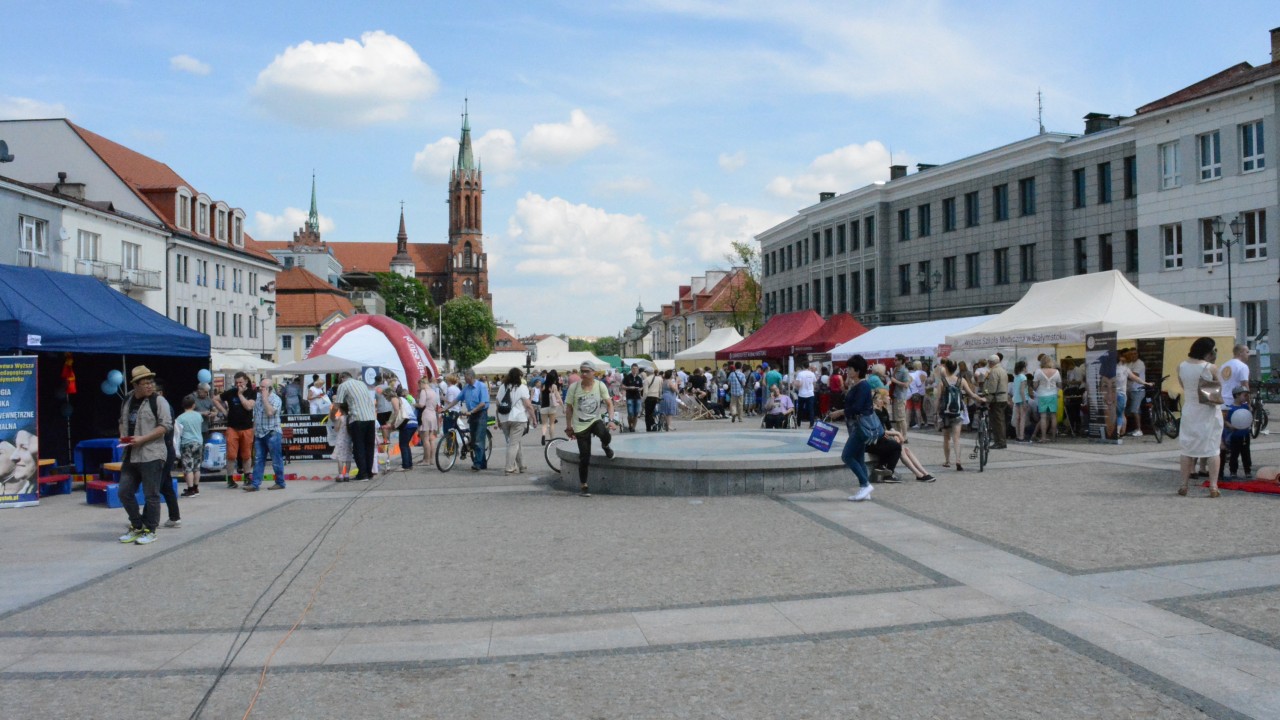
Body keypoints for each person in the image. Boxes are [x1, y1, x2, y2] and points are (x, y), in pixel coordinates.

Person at [117, 366, 172, 545]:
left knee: (151, 494)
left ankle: (150, 529)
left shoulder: (159, 401)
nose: (150, 386)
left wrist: (143, 439)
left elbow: (165, 426)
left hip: (152, 454)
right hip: (131, 454)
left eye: (151, 382)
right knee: (124, 491)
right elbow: (121, 421)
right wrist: (122, 436)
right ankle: (137, 525)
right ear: (135, 385)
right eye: (145, 383)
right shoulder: (127, 399)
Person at [1177, 337, 1224, 498]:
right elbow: (1219, 388)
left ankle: (1183, 484)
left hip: (1190, 410)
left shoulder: (1181, 366)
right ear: (1208, 352)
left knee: (1187, 448)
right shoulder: (1211, 368)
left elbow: (1184, 386)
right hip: (1208, 411)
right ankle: (1213, 486)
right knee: (1212, 448)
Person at [564, 361, 615, 496]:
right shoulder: (574, 388)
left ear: (593, 372)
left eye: (587, 371)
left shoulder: (600, 385)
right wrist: (569, 426)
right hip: (580, 424)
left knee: (605, 435)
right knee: (585, 456)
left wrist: (611, 420)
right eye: (582, 371)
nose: (584, 374)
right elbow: (568, 408)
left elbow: (609, 404)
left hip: (594, 420)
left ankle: (605, 445)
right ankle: (584, 485)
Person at [841, 355, 876, 502]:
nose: (847, 371)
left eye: (850, 368)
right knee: (859, 458)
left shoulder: (863, 386)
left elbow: (857, 407)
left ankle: (865, 484)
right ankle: (864, 489)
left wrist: (840, 412)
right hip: (856, 425)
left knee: (847, 456)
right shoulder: (858, 385)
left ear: (857, 370)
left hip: (860, 426)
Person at [938, 358, 984, 471]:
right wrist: (981, 399)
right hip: (957, 412)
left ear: (946, 368)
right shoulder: (961, 380)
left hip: (945, 413)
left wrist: (936, 413)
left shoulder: (942, 381)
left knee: (946, 438)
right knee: (957, 438)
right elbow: (972, 394)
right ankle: (958, 460)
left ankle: (947, 461)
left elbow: (938, 399)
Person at [213, 372, 256, 487]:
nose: (238, 385)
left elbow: (248, 406)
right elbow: (215, 399)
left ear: (246, 381)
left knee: (246, 455)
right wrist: (224, 411)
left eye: (241, 382)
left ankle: (247, 476)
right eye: (236, 383)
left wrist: (241, 394)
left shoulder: (251, 392)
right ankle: (230, 479)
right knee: (231, 455)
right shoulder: (231, 392)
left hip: (247, 427)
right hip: (232, 427)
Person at [335, 371, 377, 481]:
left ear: (342, 378)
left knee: (359, 446)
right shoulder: (362, 383)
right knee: (369, 446)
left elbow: (338, 403)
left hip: (357, 418)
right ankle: (369, 472)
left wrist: (332, 416)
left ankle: (362, 474)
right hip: (370, 417)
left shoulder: (343, 386)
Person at [496, 367, 537, 475]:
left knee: (516, 442)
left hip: (504, 418)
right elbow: (528, 405)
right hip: (518, 418)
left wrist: (498, 420)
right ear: (519, 377)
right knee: (513, 444)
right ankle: (509, 468)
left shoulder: (502, 387)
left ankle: (522, 466)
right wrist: (534, 419)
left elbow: (497, 404)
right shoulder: (522, 388)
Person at [248, 377, 285, 491]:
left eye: (263, 388)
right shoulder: (257, 398)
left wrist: (265, 399)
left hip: (272, 432)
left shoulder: (276, 399)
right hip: (259, 433)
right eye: (260, 387)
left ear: (269, 388)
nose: (260, 389)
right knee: (258, 459)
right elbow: (256, 415)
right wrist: (254, 430)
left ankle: (280, 482)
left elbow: (270, 412)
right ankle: (255, 484)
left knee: (276, 459)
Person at [459, 369, 490, 471]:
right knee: (475, 439)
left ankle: (477, 463)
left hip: (480, 414)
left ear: (471, 377)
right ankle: (483, 463)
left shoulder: (481, 386)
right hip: (472, 415)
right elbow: (457, 398)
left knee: (478, 440)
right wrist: (446, 408)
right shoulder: (466, 388)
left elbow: (483, 403)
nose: (465, 380)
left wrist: (471, 411)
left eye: (466, 378)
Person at [1220, 387, 1253, 481]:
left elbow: (1248, 417)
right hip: (1235, 435)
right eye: (1244, 395)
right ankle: (1233, 471)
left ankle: (1248, 471)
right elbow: (1225, 421)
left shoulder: (1246, 407)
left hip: (1245, 434)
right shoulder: (1230, 408)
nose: (1246, 397)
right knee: (1234, 454)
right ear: (1237, 395)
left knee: (1246, 453)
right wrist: (1230, 426)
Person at [176, 394, 205, 498]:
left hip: (187, 443)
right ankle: (196, 488)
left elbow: (178, 432)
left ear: (183, 405)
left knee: (188, 467)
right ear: (194, 405)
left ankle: (190, 489)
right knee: (197, 467)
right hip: (199, 442)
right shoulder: (198, 415)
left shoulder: (180, 418)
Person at [1032, 356, 1062, 443]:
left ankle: (1043, 437)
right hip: (1053, 395)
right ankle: (1053, 437)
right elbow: (1059, 385)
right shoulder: (1056, 372)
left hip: (1042, 395)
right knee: (1053, 417)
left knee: (1043, 417)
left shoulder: (1038, 372)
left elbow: (1035, 386)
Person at [982, 354, 1010, 448]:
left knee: (997, 422)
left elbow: (992, 388)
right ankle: (1001, 441)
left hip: (996, 399)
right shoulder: (1003, 370)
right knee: (1000, 421)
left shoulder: (994, 371)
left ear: (991, 362)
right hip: (1003, 398)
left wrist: (987, 400)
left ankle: (1000, 442)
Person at [384, 387, 413, 470]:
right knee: (406, 444)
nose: (385, 399)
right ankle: (409, 464)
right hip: (412, 422)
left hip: (407, 423)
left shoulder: (394, 399)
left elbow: (396, 411)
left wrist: (391, 423)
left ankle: (406, 465)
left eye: (385, 397)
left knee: (403, 445)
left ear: (387, 395)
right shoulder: (401, 399)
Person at [416, 377, 439, 465]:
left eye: (419, 385)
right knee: (431, 439)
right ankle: (431, 459)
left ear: (422, 384)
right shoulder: (433, 392)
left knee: (425, 439)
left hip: (425, 415)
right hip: (433, 415)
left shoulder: (424, 391)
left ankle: (426, 460)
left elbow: (421, 405)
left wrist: (415, 404)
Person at [1124, 348, 1147, 437]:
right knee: (1127, 411)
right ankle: (1131, 429)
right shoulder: (1128, 363)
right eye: (1131, 354)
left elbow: (1134, 376)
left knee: (1135, 409)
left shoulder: (1140, 363)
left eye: (1135, 354)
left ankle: (1139, 429)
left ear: (1138, 354)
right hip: (1128, 390)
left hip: (1138, 390)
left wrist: (1123, 374)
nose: (1133, 355)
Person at [330, 402, 353, 481]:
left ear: (341, 410)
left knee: (340, 458)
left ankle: (340, 475)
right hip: (349, 439)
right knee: (348, 458)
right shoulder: (350, 418)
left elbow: (336, 428)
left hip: (340, 439)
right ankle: (347, 475)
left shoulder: (341, 418)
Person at [792, 363, 818, 428]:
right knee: (811, 409)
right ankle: (811, 424)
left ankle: (798, 423)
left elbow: (799, 384)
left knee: (800, 409)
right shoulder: (812, 374)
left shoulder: (800, 374)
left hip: (802, 394)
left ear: (802, 366)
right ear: (808, 367)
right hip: (810, 394)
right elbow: (814, 382)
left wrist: (794, 382)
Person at [539, 369, 561, 444]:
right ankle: (552, 440)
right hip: (552, 407)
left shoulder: (543, 385)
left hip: (543, 406)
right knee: (551, 424)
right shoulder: (554, 386)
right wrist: (563, 406)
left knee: (544, 424)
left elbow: (540, 397)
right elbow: (558, 396)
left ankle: (543, 435)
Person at [1010, 360, 1029, 442]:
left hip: (1016, 399)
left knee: (1017, 418)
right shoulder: (1023, 377)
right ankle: (1022, 436)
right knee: (1022, 418)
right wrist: (1024, 401)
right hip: (1022, 399)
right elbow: (1022, 390)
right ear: (1023, 368)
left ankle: (1017, 435)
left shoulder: (1016, 377)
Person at [622, 363, 644, 432]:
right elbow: (622, 386)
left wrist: (640, 389)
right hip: (630, 397)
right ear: (631, 369)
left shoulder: (639, 378)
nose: (635, 370)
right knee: (630, 413)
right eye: (633, 369)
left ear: (637, 370)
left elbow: (641, 386)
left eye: (636, 369)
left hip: (637, 397)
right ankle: (630, 425)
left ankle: (633, 427)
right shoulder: (627, 377)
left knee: (636, 413)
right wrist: (629, 387)